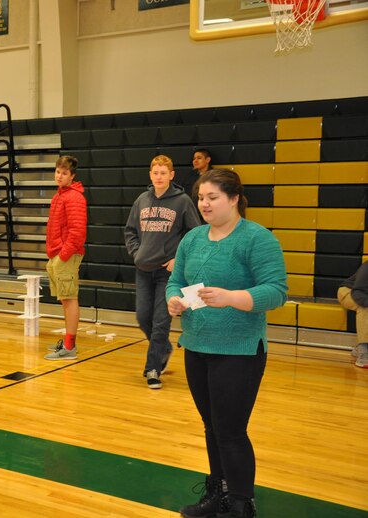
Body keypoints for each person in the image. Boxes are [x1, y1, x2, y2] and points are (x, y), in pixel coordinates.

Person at [166, 169, 287, 518]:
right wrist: (172, 300)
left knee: (230, 431)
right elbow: (175, 281)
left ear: (234, 199)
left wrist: (232, 297)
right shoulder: (192, 240)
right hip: (197, 345)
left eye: (212, 197)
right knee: (211, 426)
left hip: (240, 350)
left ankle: (240, 504)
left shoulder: (257, 239)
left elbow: (276, 292)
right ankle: (216, 494)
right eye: (201, 198)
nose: (204, 204)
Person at [124, 155, 201, 389]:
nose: (159, 177)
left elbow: (195, 234)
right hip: (144, 269)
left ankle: (153, 368)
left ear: (171, 175)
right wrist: (137, 253)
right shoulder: (141, 200)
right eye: (155, 173)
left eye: (163, 173)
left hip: (168, 274)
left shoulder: (183, 201)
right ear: (150, 175)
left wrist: (178, 259)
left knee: (160, 322)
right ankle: (164, 349)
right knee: (143, 317)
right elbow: (130, 231)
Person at [44, 155, 87, 360]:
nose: (59, 176)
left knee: (70, 300)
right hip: (57, 254)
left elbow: (77, 233)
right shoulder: (60, 195)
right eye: (57, 171)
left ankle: (70, 347)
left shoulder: (74, 197)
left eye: (64, 173)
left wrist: (63, 255)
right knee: (65, 300)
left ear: (72, 176)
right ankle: (68, 341)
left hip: (66, 256)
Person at [337, 261, 368, 368]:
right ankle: (364, 350)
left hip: (361, 293)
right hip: (349, 292)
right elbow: (358, 292)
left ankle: (357, 350)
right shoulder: (367, 267)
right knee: (365, 308)